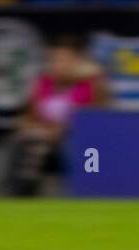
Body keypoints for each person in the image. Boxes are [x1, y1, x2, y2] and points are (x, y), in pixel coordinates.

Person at [7, 35, 110, 197]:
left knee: (81, 149)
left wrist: (64, 130)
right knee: (26, 146)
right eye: (55, 60)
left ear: (78, 62)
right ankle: (21, 197)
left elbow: (98, 119)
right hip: (45, 140)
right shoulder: (42, 85)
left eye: (65, 60)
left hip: (82, 140)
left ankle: (86, 193)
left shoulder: (91, 85)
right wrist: (34, 130)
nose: (59, 65)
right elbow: (27, 119)